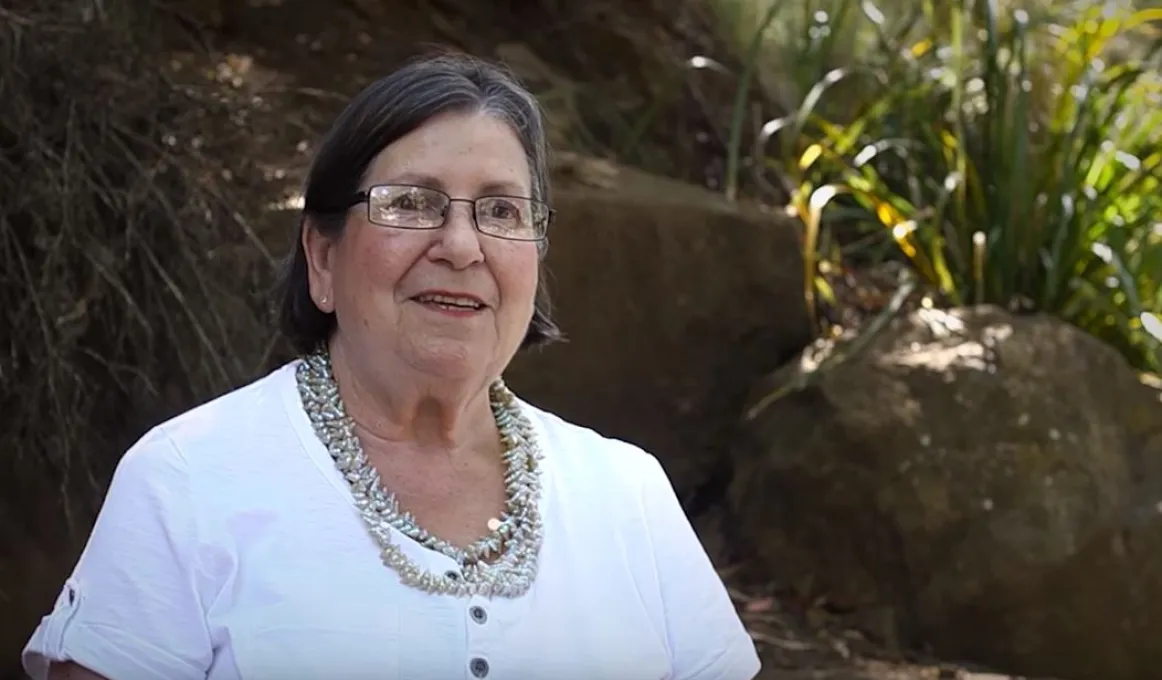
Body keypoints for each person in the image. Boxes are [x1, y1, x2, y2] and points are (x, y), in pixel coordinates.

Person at [22, 52, 762, 680]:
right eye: (412, 203)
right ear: (322, 256)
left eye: (502, 211)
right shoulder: (188, 479)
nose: (463, 247)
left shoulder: (627, 493)